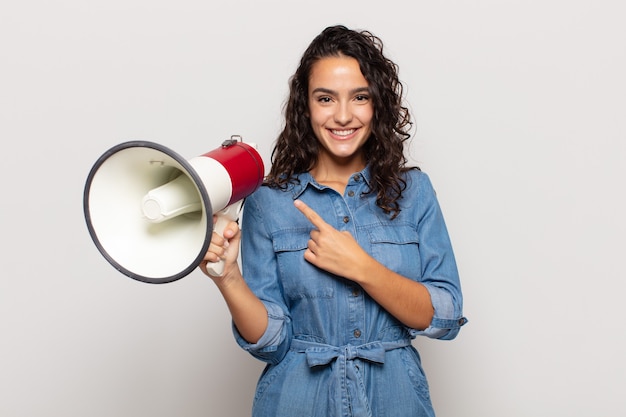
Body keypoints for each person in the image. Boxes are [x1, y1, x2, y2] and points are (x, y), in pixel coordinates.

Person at [200, 25, 467, 417]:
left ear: (377, 104)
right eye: (325, 98)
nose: (343, 115)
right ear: (305, 107)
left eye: (359, 97)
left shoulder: (414, 192)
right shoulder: (268, 201)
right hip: (295, 400)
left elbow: (445, 314)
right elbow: (272, 341)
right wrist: (229, 279)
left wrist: (363, 268)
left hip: (395, 400)